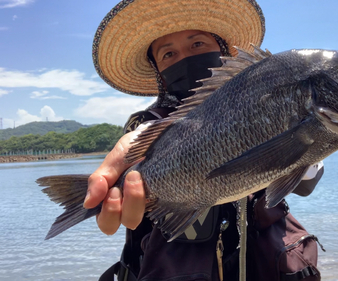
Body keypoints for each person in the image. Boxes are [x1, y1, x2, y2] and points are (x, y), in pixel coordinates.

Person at [86, 0, 325, 280]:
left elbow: (306, 183)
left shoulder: (266, 104)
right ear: (159, 71)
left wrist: (302, 134)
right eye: (168, 54)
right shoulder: (147, 128)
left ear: (224, 52)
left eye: (197, 44)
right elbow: (136, 152)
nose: (184, 58)